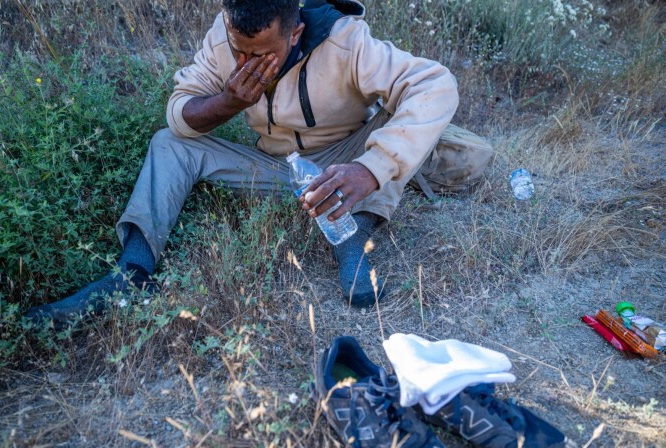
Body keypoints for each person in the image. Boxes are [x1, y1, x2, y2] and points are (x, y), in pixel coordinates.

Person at [27, 0, 472, 327]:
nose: (245, 62)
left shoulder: (346, 41)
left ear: (294, 34)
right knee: (170, 143)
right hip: (278, 170)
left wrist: (370, 168)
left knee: (398, 121)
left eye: (260, 54)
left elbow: (434, 83)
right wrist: (226, 102)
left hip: (345, 160)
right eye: (239, 50)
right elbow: (179, 110)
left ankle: (353, 234)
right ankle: (133, 271)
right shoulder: (224, 36)